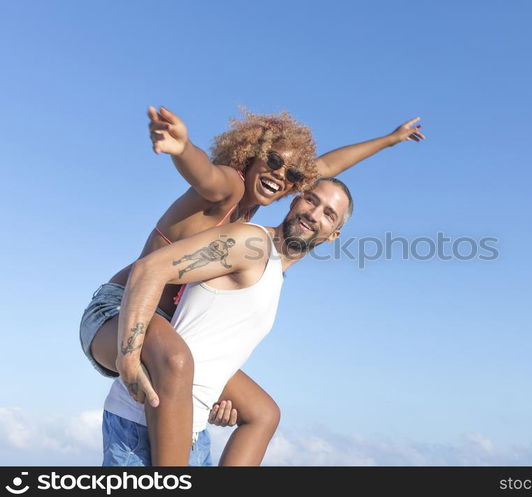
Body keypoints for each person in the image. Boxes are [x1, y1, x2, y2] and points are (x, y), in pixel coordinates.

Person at [80, 106, 424, 465]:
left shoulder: (260, 216)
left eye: (291, 173)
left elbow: (327, 167)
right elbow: (206, 175)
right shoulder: (231, 189)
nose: (279, 174)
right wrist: (183, 149)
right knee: (176, 361)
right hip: (120, 307)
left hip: (165, 321)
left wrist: (389, 140)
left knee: (262, 411)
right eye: (272, 161)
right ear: (250, 154)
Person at [101, 177, 353, 465]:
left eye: (328, 214)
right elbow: (150, 267)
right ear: (295, 200)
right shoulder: (250, 242)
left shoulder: (274, 271)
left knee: (264, 413)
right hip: (143, 426)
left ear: (334, 234)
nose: (314, 214)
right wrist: (128, 357)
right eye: (311, 199)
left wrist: (217, 394)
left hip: (193, 431)